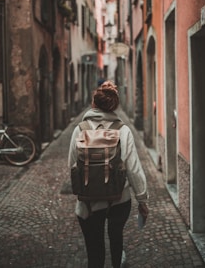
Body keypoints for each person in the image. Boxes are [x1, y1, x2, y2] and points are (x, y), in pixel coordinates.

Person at [68, 80, 149, 268]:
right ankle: (116, 262)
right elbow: (134, 169)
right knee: (116, 237)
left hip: (88, 202)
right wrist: (142, 200)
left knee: (94, 250)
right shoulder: (124, 131)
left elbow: (72, 166)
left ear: (93, 103)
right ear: (114, 106)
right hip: (119, 199)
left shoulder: (79, 130)